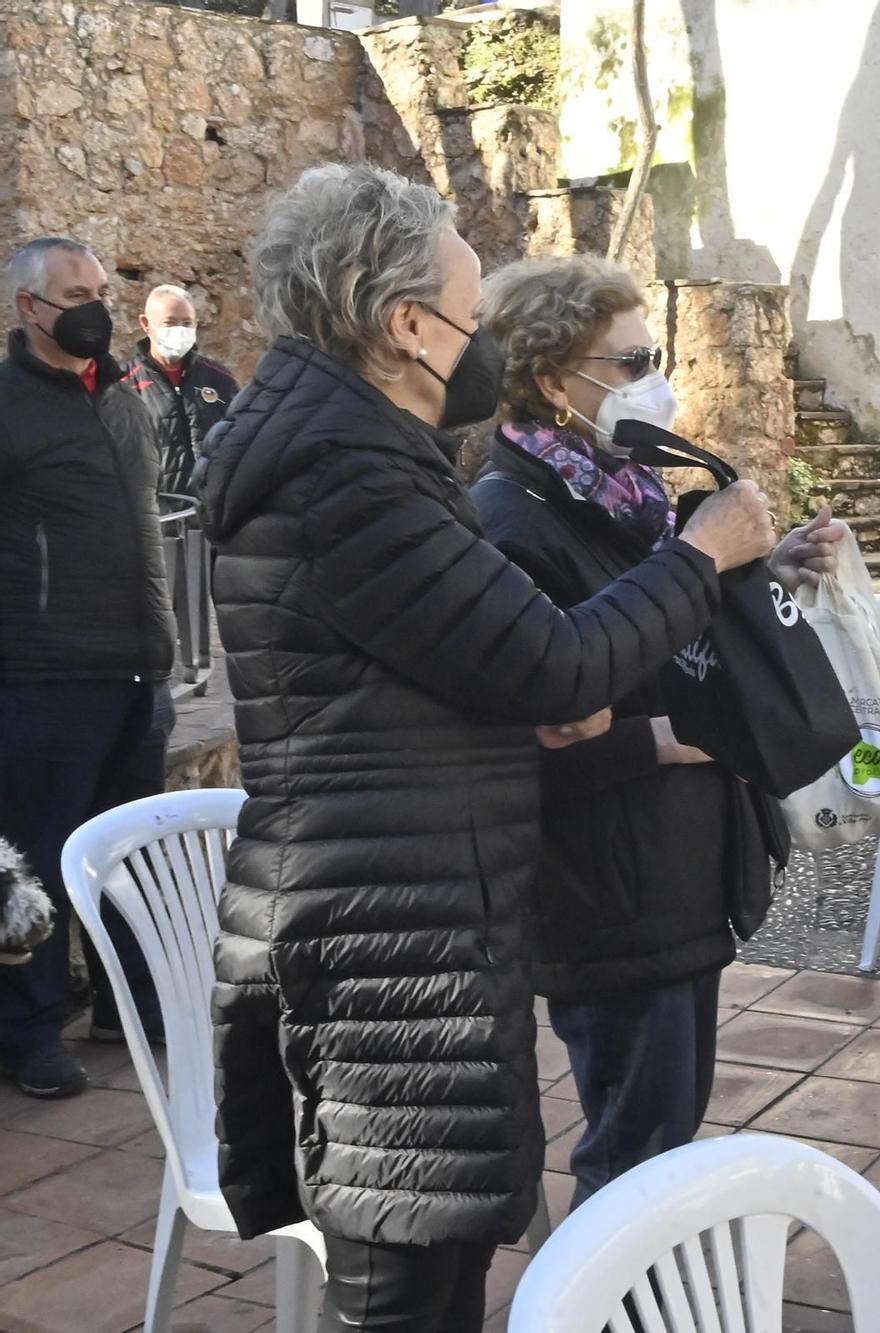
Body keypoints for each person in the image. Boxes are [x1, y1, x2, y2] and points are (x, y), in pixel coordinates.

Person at [198, 164, 775, 1332]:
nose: (482, 351)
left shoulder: (351, 453)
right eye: (468, 317)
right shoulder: (346, 471)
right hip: (386, 932)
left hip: (401, 908)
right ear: (405, 326)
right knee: (405, 1277)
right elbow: (557, 659)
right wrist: (700, 554)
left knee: (434, 1248)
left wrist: (514, 696)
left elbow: (452, 658)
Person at [471, 254, 841, 1209]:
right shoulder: (512, 518)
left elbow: (658, 627)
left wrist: (764, 568)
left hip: (673, 868)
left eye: (654, 354)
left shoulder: (617, 491)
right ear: (555, 381)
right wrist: (666, 741)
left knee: (668, 1122)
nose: (653, 381)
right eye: (630, 360)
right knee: (634, 1141)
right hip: (609, 882)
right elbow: (515, 739)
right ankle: (611, 1305)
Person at [0, 236, 173, 1099]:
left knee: (127, 856)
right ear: (30, 309)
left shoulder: (122, 396)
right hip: (41, 675)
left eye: (102, 289)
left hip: (135, 667)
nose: (95, 307)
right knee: (35, 863)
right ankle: (28, 1033)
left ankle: (126, 1007)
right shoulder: (5, 405)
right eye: (76, 294)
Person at [120, 284, 240, 502]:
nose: (179, 330)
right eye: (170, 323)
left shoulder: (220, 379)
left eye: (187, 323)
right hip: (159, 521)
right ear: (146, 324)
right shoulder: (122, 385)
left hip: (213, 514)